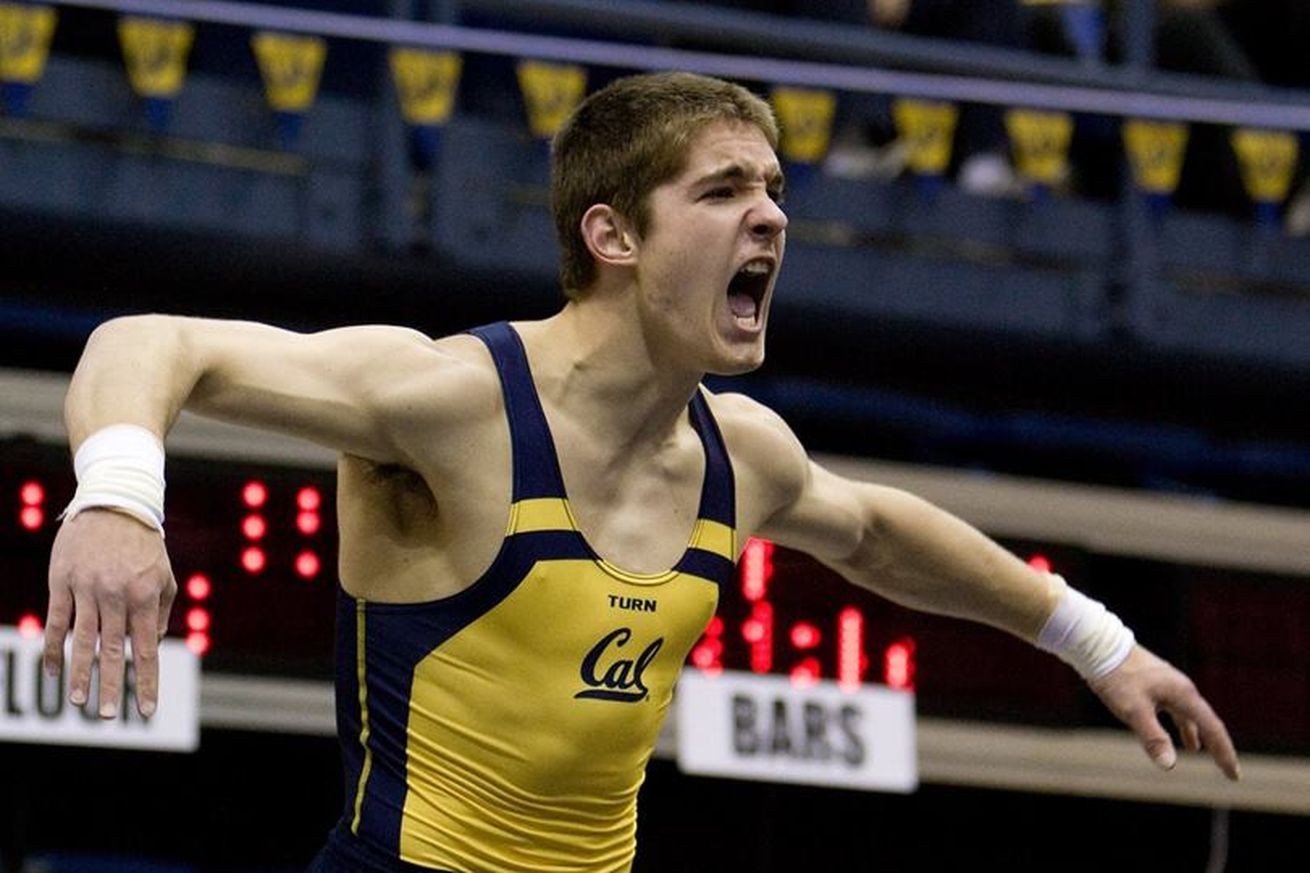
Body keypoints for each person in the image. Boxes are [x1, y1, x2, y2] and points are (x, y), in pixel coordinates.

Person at [43, 72, 1238, 873]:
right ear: (610, 236)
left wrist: (1098, 644)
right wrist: (114, 501)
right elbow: (150, 342)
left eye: (773, 190)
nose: (768, 219)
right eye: (722, 192)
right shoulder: (456, 403)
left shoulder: (741, 451)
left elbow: (875, 532)